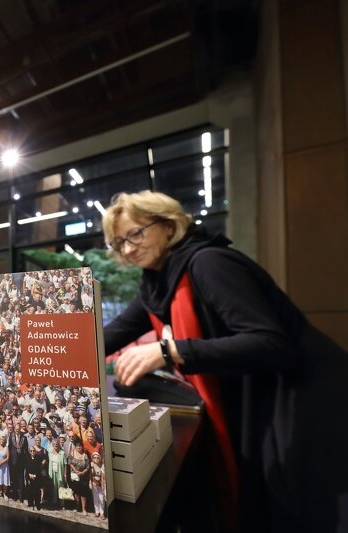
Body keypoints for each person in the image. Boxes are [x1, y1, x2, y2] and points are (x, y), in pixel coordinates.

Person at [102, 190, 348, 531]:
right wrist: (57, 353)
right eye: (119, 243)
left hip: (303, 399)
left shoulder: (209, 263)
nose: (128, 249)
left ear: (169, 225)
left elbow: (272, 343)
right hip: (257, 398)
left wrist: (168, 350)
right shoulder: (157, 282)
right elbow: (116, 331)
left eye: (136, 234)